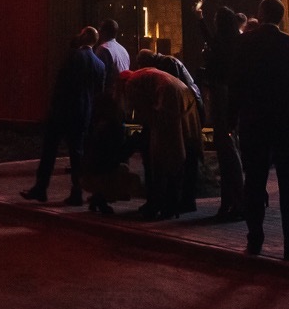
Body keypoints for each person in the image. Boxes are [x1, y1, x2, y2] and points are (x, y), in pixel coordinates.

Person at [230, 0, 289, 261]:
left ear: (260, 13)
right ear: (281, 17)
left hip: (254, 123)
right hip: (286, 124)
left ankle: (254, 240)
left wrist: (232, 119)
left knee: (254, 183)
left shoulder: (244, 43)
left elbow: (236, 84)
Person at [23, 27, 107, 205]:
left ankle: (41, 188)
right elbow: (98, 92)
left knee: (50, 150)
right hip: (83, 113)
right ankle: (77, 191)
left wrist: (53, 107)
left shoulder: (73, 56)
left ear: (84, 36)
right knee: (77, 154)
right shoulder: (100, 65)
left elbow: (61, 83)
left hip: (63, 110)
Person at [116, 66, 201, 219]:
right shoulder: (144, 74)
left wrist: (148, 132)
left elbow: (144, 111)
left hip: (169, 98)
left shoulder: (130, 83)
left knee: (163, 155)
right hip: (183, 94)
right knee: (176, 150)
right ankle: (173, 203)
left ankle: (162, 205)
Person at [194, 0, 245, 222]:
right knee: (228, 146)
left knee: (226, 148)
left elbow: (211, 43)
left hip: (222, 95)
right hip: (229, 95)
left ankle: (235, 201)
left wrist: (200, 19)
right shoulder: (236, 41)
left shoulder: (223, 44)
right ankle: (231, 201)